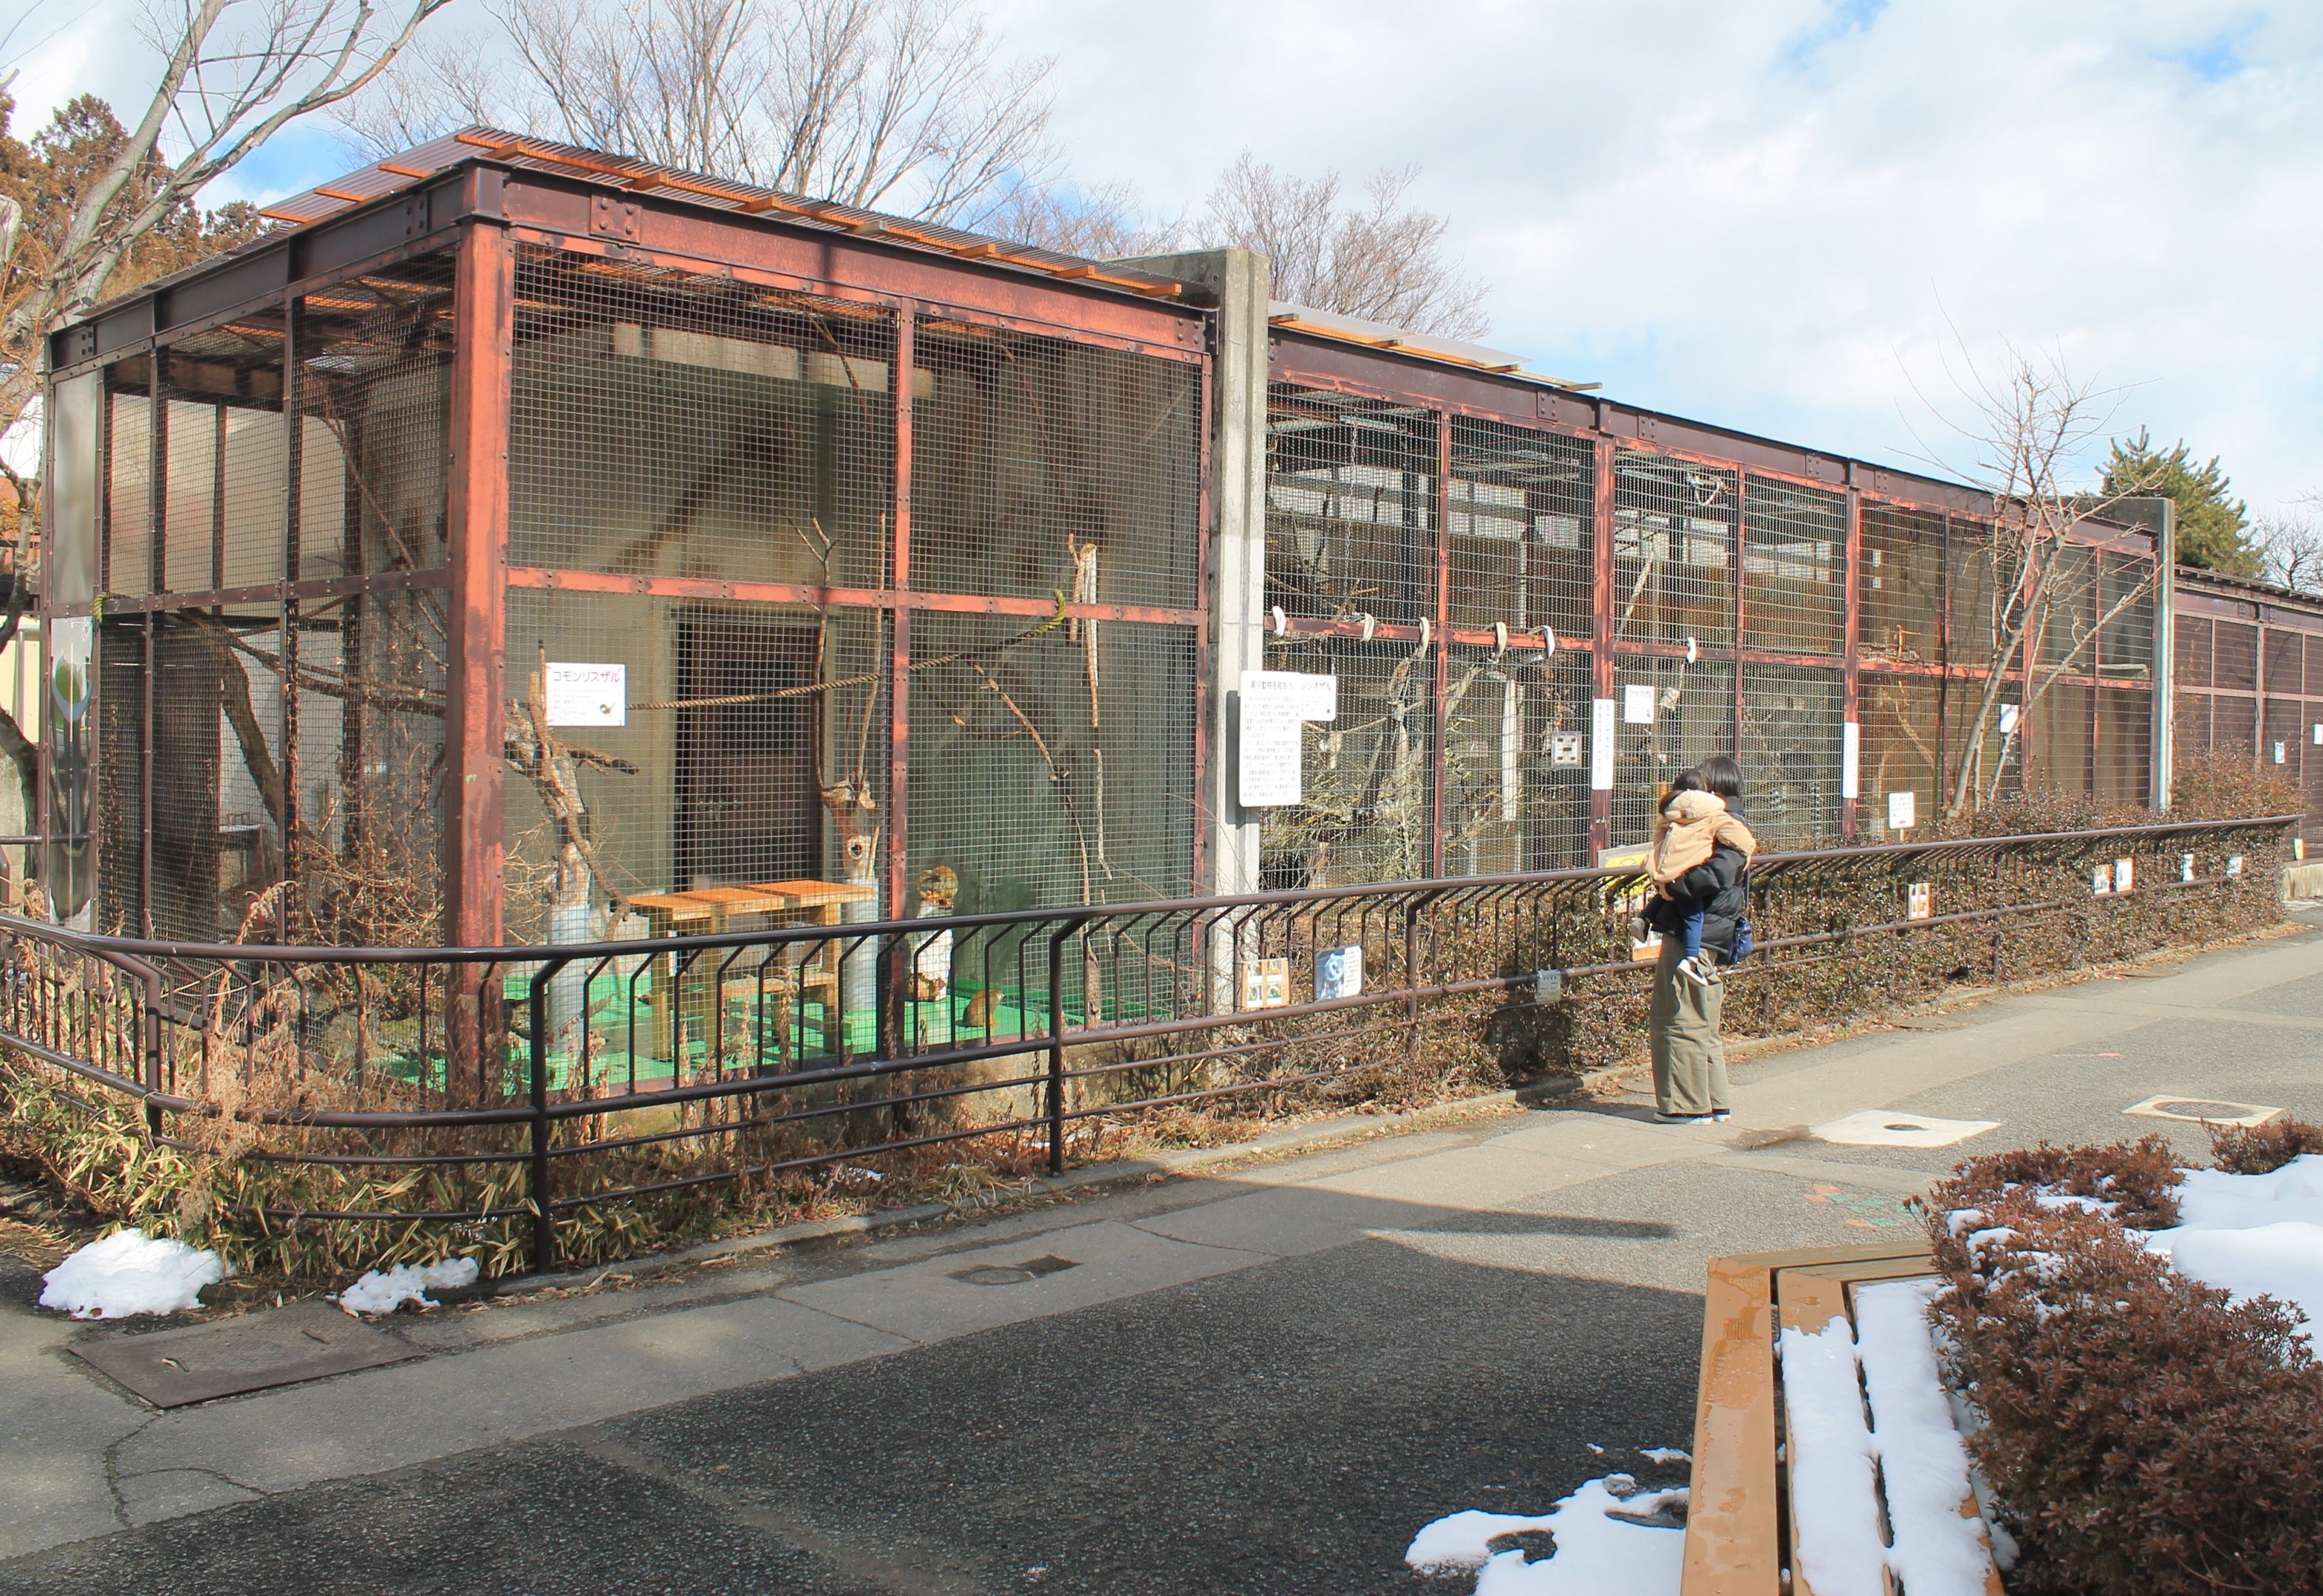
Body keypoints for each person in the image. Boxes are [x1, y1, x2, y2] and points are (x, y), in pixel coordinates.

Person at [1643, 753, 1750, 1125]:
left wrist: (1674, 887)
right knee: (1704, 1018)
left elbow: (1720, 871)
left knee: (1678, 1016)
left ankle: (1687, 1106)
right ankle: (1715, 1102)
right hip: (1714, 931)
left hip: (1698, 931)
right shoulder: (1729, 820)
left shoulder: (1717, 822)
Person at [1647, 770, 1757, 987]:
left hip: (1705, 924)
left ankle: (1648, 922)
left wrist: (1672, 885)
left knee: (1686, 1002)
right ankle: (1690, 959)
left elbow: (1718, 872)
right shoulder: (1713, 818)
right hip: (1700, 916)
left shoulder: (1681, 815)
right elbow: (1739, 851)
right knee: (1684, 1001)